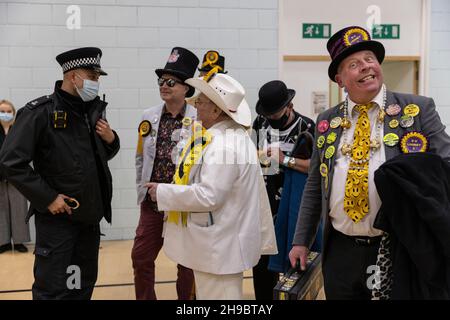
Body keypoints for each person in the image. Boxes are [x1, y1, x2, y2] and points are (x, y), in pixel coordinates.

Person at [289, 26, 450, 300]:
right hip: (340, 249)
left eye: (369, 59)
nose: (365, 67)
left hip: (398, 246)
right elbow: (316, 184)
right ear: (340, 79)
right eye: (354, 64)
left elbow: (446, 164)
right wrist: (300, 241)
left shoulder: (417, 109)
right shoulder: (326, 121)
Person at [0, 47, 120, 299]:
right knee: (54, 290)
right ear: (73, 76)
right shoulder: (38, 113)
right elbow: (11, 162)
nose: (96, 83)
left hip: (89, 220)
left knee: (81, 286)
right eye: (93, 76)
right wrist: (48, 198)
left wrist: (111, 140)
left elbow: (96, 159)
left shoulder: (92, 111)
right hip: (58, 224)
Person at [146, 73, 277, 300]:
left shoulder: (224, 145)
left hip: (219, 248)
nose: (195, 104)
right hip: (221, 245)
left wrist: (162, 192)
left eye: (201, 101)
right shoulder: (234, 136)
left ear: (217, 111)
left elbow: (209, 196)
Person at [132, 47, 199, 300]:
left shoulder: (198, 119)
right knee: (140, 258)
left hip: (182, 204)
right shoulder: (148, 116)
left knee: (187, 264)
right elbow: (141, 157)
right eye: (161, 81)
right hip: (152, 203)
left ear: (186, 89)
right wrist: (141, 190)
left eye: (171, 82)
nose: (164, 85)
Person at [251, 80, 316, 300]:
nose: (271, 118)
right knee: (262, 268)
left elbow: (316, 169)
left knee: (292, 270)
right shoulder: (260, 123)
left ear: (289, 106)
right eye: (267, 113)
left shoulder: (307, 128)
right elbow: (254, 155)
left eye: (275, 113)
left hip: (292, 208)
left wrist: (285, 160)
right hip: (264, 206)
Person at [0, 100, 30, 254]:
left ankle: (19, 242)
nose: (5, 114)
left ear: (13, 112)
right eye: (2, 111)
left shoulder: (18, 129)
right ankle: (3, 242)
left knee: (19, 208)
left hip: (16, 176)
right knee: (1, 210)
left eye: (8, 111)